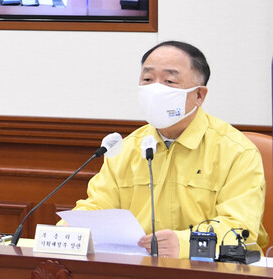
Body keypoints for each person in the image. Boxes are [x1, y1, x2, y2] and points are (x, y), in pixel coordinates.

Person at [70, 41, 267, 258]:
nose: (155, 89)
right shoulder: (126, 149)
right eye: (147, 79)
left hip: (210, 269)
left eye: (169, 81)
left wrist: (184, 244)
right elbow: (97, 208)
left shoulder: (236, 152)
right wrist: (69, 232)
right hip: (138, 269)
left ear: (199, 95)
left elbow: (240, 229)